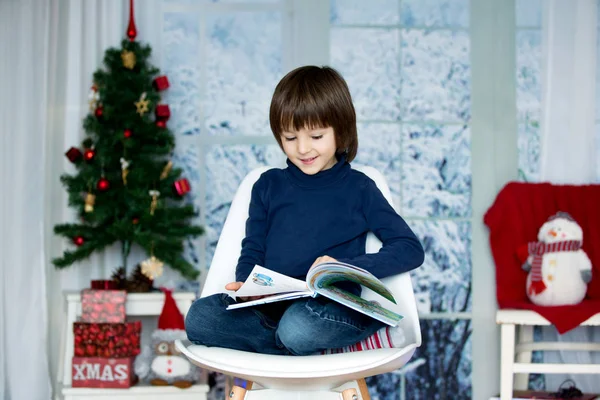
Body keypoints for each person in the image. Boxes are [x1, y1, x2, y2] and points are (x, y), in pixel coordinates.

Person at [185, 65, 424, 356]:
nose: (302, 149)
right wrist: (246, 286)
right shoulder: (267, 185)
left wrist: (346, 268)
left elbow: (409, 248)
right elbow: (252, 249)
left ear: (341, 130)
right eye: (290, 138)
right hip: (271, 311)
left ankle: (346, 334)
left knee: (299, 326)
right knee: (199, 318)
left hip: (325, 307)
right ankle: (298, 346)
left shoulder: (360, 188)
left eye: (316, 136)